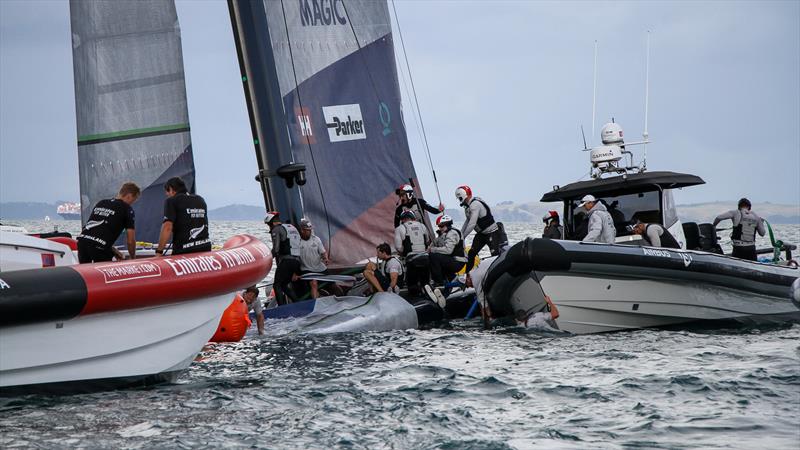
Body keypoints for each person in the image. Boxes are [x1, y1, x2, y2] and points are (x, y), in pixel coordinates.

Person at [77, 182, 140, 263]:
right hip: (98, 248)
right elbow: (130, 241)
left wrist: (113, 250)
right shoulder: (127, 209)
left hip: (82, 242)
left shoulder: (101, 203)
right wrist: (133, 258)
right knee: (102, 274)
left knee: (86, 272)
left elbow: (96, 233)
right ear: (129, 196)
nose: (133, 203)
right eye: (134, 200)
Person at [456, 185, 508, 273]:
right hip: (481, 234)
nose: (459, 200)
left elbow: (472, 224)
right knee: (471, 253)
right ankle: (467, 275)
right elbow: (467, 221)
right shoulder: (467, 207)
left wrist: (463, 236)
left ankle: (499, 273)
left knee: (495, 256)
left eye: (459, 198)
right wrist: (460, 234)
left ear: (464, 195)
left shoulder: (475, 205)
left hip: (492, 233)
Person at [156, 177, 210, 256]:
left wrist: (159, 252)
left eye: (167, 191)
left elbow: (167, 227)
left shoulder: (171, 201)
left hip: (184, 252)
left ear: (171, 189)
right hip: (205, 249)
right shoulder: (201, 200)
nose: (166, 194)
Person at [264, 211, 302, 305]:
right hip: (297, 262)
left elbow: (276, 249)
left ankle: (281, 308)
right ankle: (298, 303)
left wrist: (267, 259)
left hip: (287, 261)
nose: (269, 228)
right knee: (284, 285)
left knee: (277, 285)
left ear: (271, 223)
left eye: (269, 225)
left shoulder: (276, 229)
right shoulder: (290, 227)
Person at [394, 210, 430, 296]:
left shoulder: (400, 228)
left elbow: (398, 247)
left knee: (412, 284)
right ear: (413, 218)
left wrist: (403, 252)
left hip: (412, 258)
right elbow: (427, 241)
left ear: (402, 219)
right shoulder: (422, 226)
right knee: (425, 283)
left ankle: (415, 299)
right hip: (425, 257)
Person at [427, 214, 467, 287]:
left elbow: (448, 250)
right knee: (432, 257)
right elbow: (435, 243)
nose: (440, 228)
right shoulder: (443, 234)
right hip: (452, 260)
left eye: (441, 226)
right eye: (439, 226)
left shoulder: (452, 233)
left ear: (447, 225)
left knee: (434, 257)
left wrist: (432, 250)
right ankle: (453, 280)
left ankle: (439, 283)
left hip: (458, 261)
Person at [297, 218, 330, 299]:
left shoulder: (316, 239)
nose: (310, 231)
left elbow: (323, 252)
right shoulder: (297, 241)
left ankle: (342, 301)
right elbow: (295, 258)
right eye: (308, 230)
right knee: (314, 284)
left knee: (333, 284)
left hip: (320, 268)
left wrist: (325, 258)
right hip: (307, 269)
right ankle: (315, 305)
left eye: (310, 229)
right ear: (302, 230)